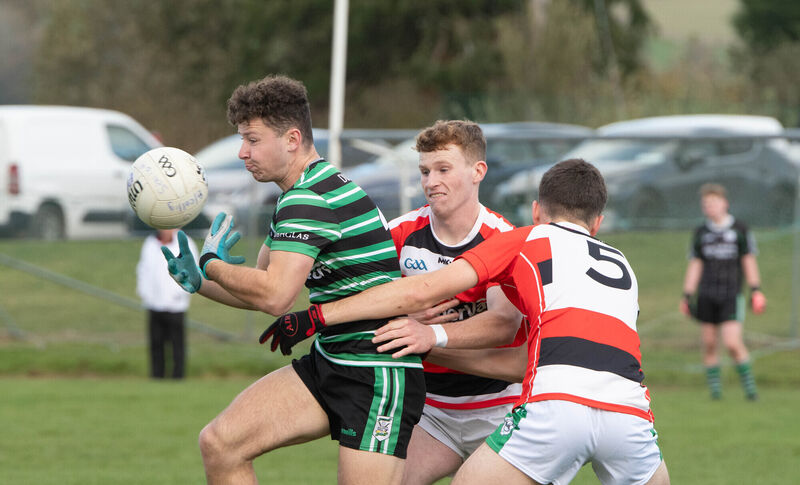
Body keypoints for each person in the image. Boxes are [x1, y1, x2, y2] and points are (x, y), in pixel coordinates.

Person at [264, 158, 670, 484]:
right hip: (630, 412)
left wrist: (319, 315)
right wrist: (435, 345)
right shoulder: (623, 265)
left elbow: (421, 291)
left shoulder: (525, 238)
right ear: (597, 223)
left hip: (555, 405)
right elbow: (534, 359)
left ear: (536, 212)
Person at [161, 74, 424, 485]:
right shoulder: (297, 193)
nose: (242, 152)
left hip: (375, 373)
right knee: (221, 443)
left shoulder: (308, 198)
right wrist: (200, 280)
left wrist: (212, 263)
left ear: (291, 139)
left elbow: (275, 297)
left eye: (252, 139)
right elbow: (262, 284)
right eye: (242, 139)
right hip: (331, 361)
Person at [382, 120, 525, 484]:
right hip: (430, 411)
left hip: (500, 409)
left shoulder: (501, 237)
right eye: (425, 171)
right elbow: (365, 306)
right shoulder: (400, 234)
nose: (431, 182)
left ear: (478, 172)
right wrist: (398, 312)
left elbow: (503, 323)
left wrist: (432, 336)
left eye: (443, 169)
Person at [679, 183, 764, 401]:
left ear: (725, 203)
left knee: (733, 343)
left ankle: (751, 391)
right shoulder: (701, 233)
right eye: (706, 204)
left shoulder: (739, 230)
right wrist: (687, 295)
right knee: (709, 344)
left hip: (731, 295)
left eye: (714, 202)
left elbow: (748, 261)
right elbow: (696, 264)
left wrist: (756, 290)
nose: (710, 207)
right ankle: (715, 394)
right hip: (706, 295)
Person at [136, 228, 197, 379]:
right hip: (154, 303)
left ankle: (178, 376)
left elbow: (192, 270)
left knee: (177, 344)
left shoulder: (185, 243)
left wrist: (180, 293)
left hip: (176, 305)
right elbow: (143, 270)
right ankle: (157, 375)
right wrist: (146, 294)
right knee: (156, 343)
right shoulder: (150, 244)